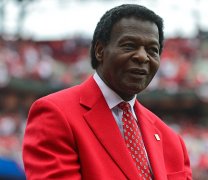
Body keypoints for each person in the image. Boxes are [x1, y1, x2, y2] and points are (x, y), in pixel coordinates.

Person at [22, 4, 192, 180]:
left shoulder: (172, 142)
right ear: (100, 51)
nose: (142, 56)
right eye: (129, 46)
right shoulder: (56, 114)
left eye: (152, 50)